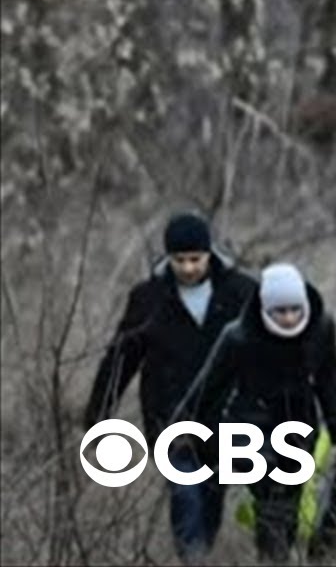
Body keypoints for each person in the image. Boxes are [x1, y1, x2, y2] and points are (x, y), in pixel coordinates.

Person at [82, 212, 258, 564]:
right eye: (180, 260)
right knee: (185, 492)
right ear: (169, 258)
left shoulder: (241, 292)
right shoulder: (149, 299)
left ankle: (202, 553)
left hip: (226, 418)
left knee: (211, 497)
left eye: (196, 259)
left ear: (210, 254)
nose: (189, 268)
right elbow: (121, 357)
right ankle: (191, 559)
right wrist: (98, 414)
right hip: (170, 415)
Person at [183, 262, 336, 563]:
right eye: (280, 312)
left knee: (291, 500)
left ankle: (277, 552)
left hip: (299, 421)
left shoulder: (321, 328)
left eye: (294, 310)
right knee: (271, 495)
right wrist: (180, 429)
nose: (288, 318)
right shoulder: (239, 336)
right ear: (265, 309)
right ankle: (274, 557)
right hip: (250, 424)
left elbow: (329, 382)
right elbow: (207, 386)